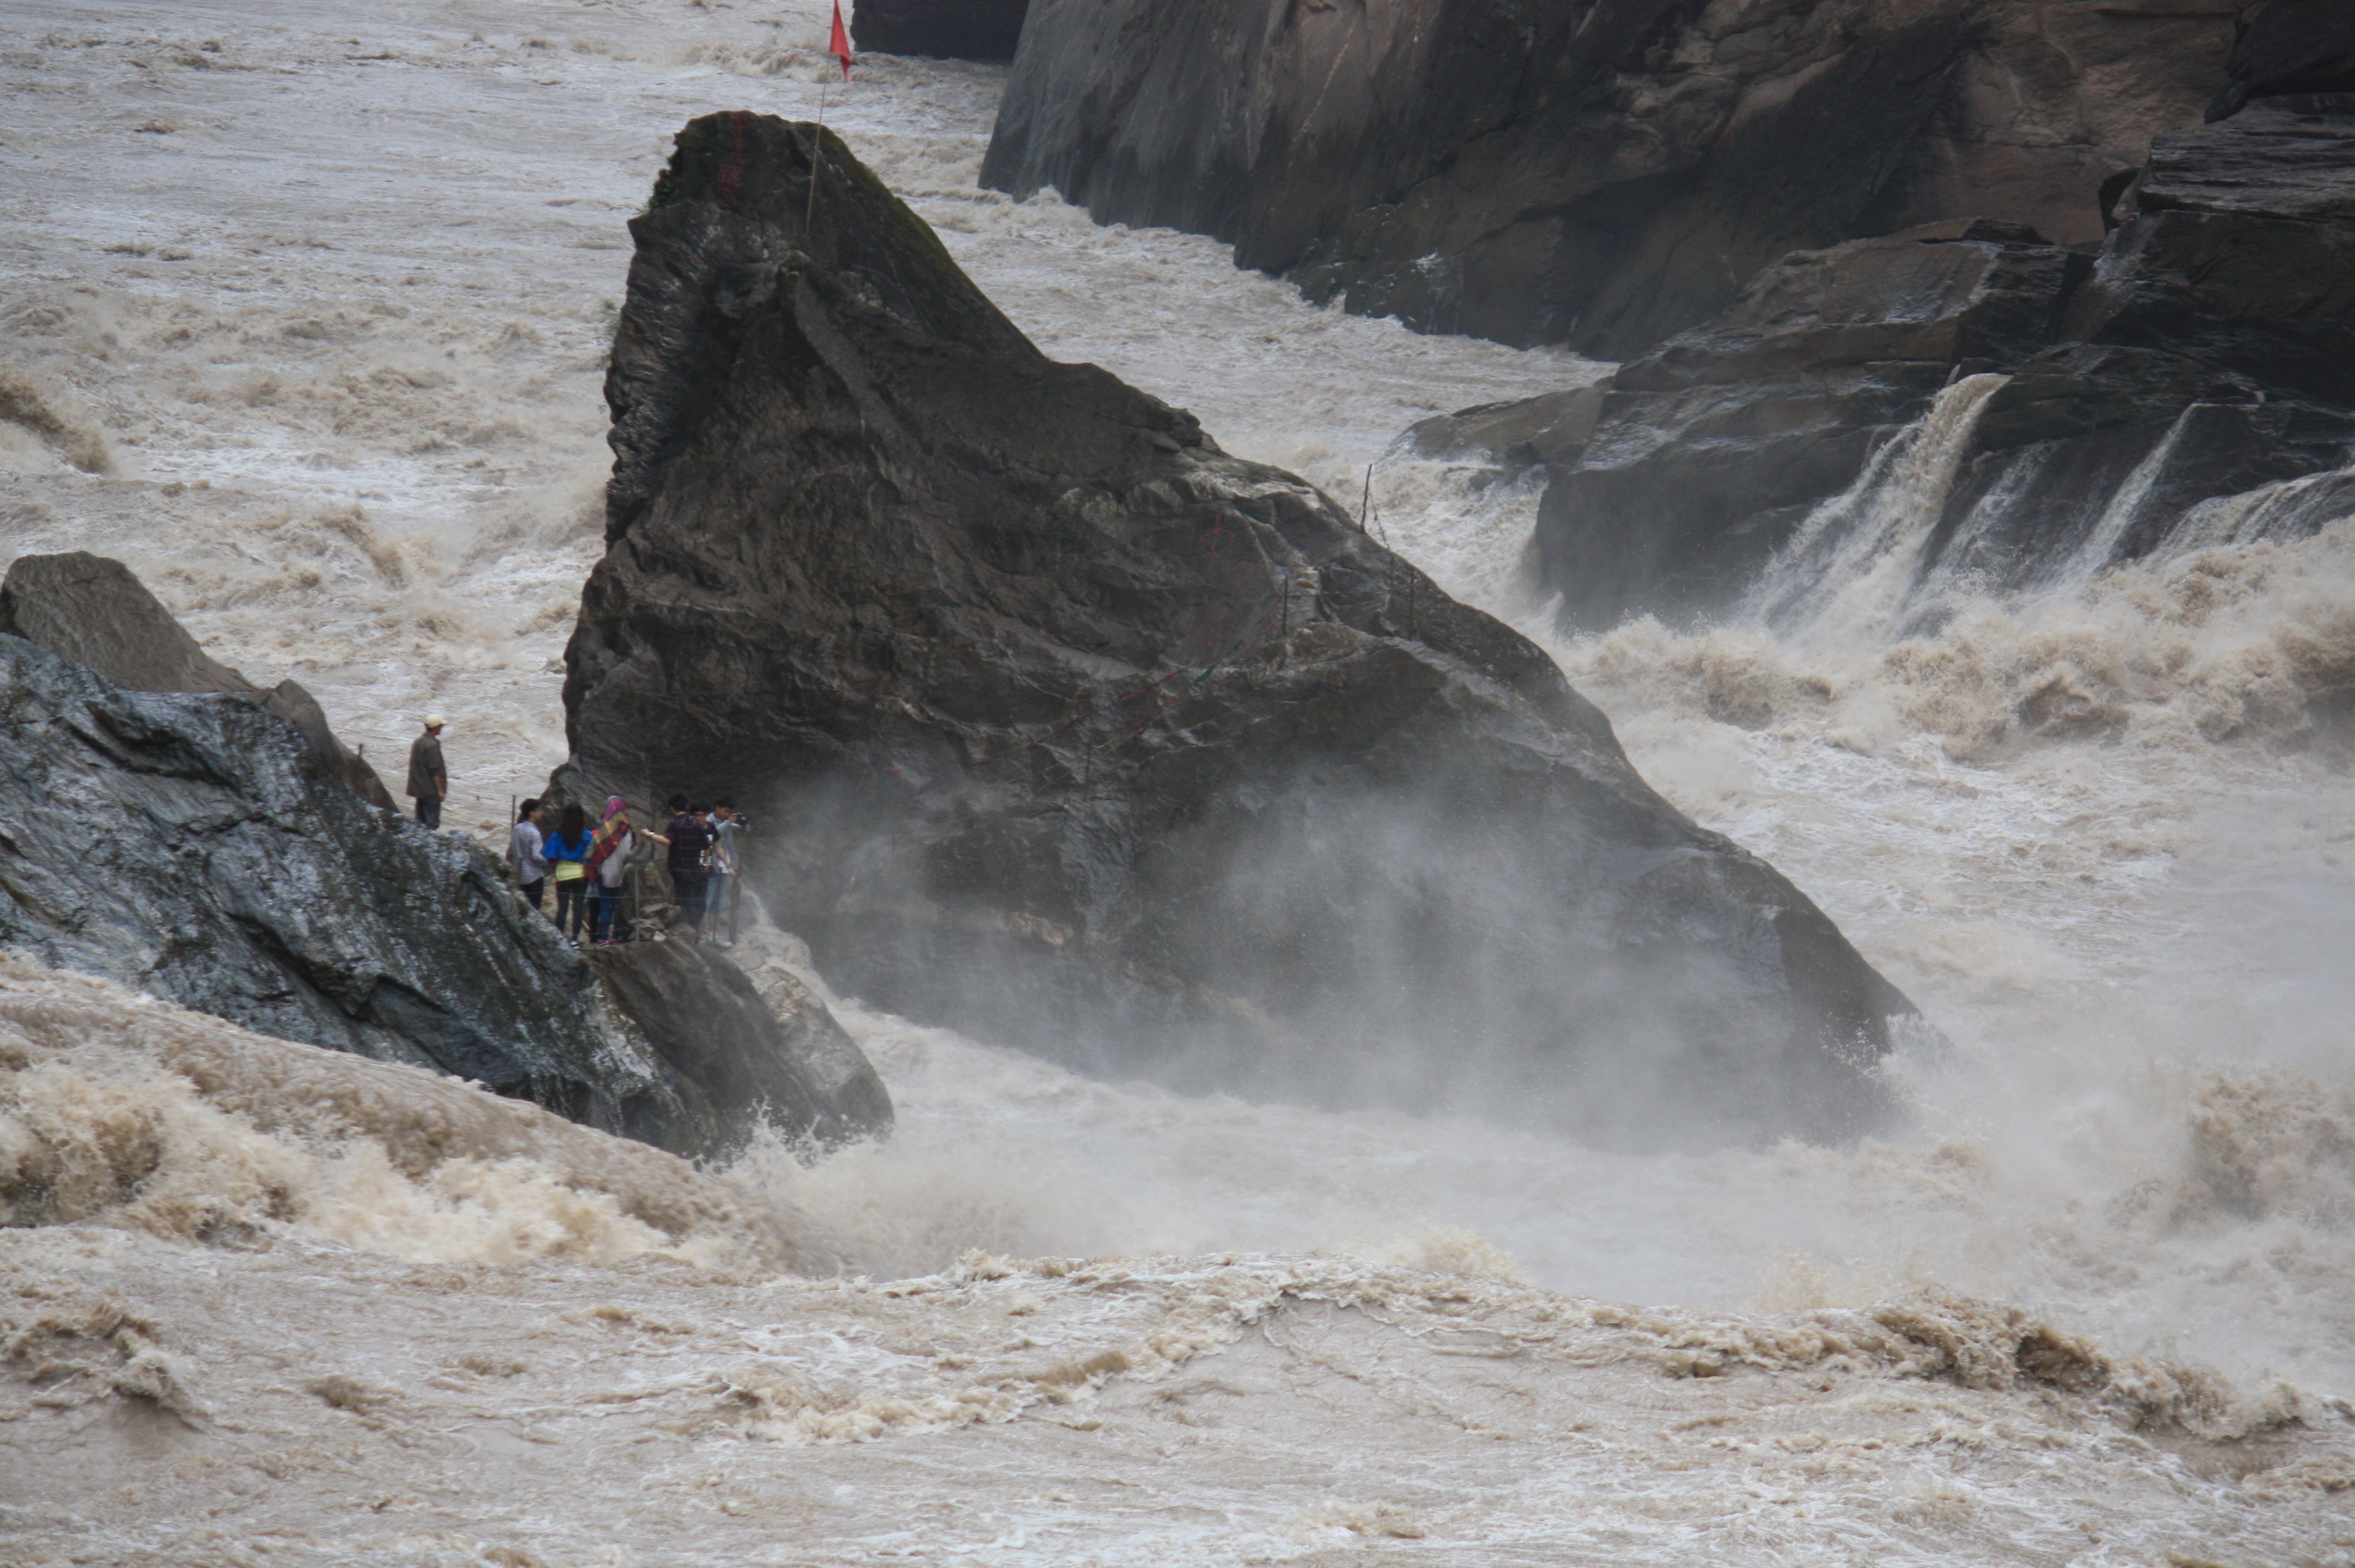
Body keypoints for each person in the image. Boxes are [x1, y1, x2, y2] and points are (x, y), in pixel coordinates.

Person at [583, 796, 635, 946]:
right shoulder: (629, 830)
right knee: (618, 906)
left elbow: (594, 852)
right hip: (622, 872)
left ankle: (603, 937)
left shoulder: (604, 830)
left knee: (605, 906)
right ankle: (617, 935)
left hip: (605, 872)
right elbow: (631, 851)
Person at [660, 798, 714, 937]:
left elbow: (667, 841)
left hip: (677, 868)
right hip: (693, 869)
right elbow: (707, 846)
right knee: (694, 899)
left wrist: (650, 834)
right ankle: (693, 928)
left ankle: (684, 929)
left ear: (672, 808)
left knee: (681, 899)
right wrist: (704, 863)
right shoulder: (696, 824)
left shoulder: (675, 824)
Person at [542, 802, 593, 945]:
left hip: (563, 874)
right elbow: (592, 853)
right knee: (578, 908)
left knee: (563, 908)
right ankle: (575, 940)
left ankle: (559, 939)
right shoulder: (586, 834)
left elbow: (549, 854)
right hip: (581, 875)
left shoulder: (558, 834)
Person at [710, 798, 748, 946]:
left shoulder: (727, 823)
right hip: (712, 866)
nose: (728, 814)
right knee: (709, 901)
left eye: (730, 812)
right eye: (726, 811)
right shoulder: (709, 820)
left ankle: (714, 935)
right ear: (717, 808)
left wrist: (743, 824)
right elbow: (713, 833)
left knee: (718, 903)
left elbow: (738, 831)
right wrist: (728, 823)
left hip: (726, 868)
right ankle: (705, 934)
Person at [406, 715, 448, 829]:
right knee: (432, 824)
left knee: (420, 823)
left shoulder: (417, 742)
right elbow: (434, 770)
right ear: (436, 727)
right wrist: (440, 790)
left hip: (419, 790)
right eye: (440, 726)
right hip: (430, 791)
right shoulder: (432, 745)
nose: (441, 728)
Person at [507, 798, 547, 911]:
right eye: (539, 810)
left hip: (520, 874)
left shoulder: (517, 829)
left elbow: (511, 851)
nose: (542, 812)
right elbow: (535, 856)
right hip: (535, 876)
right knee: (534, 909)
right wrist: (546, 861)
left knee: (521, 909)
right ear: (532, 813)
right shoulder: (535, 833)